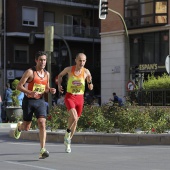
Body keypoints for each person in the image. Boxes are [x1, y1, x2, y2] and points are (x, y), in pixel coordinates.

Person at [13, 51, 56, 159]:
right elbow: (19, 86)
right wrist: (29, 92)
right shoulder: (30, 72)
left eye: (44, 60)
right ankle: (19, 127)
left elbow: (45, 88)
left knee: (42, 123)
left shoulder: (47, 74)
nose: (43, 62)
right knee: (26, 127)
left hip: (40, 101)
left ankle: (42, 150)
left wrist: (50, 90)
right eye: (40, 60)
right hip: (29, 101)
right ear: (36, 60)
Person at [58, 53, 93, 153]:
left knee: (76, 121)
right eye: (80, 60)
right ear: (76, 60)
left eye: (84, 61)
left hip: (80, 98)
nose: (82, 63)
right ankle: (67, 132)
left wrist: (89, 82)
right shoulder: (69, 69)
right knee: (73, 117)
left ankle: (68, 141)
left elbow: (90, 88)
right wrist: (59, 85)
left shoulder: (86, 72)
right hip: (70, 96)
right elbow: (60, 75)